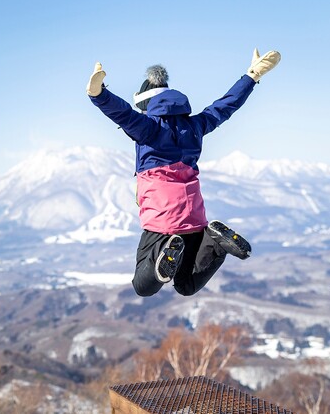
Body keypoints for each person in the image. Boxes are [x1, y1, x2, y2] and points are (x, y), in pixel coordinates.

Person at [86, 49, 281, 297]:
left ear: (146, 103)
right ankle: (215, 243)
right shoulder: (196, 126)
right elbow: (225, 106)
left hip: (162, 220)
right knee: (186, 285)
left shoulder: (148, 128)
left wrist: (98, 94)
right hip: (194, 216)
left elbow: (121, 113)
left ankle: (164, 251)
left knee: (143, 286)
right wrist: (251, 75)